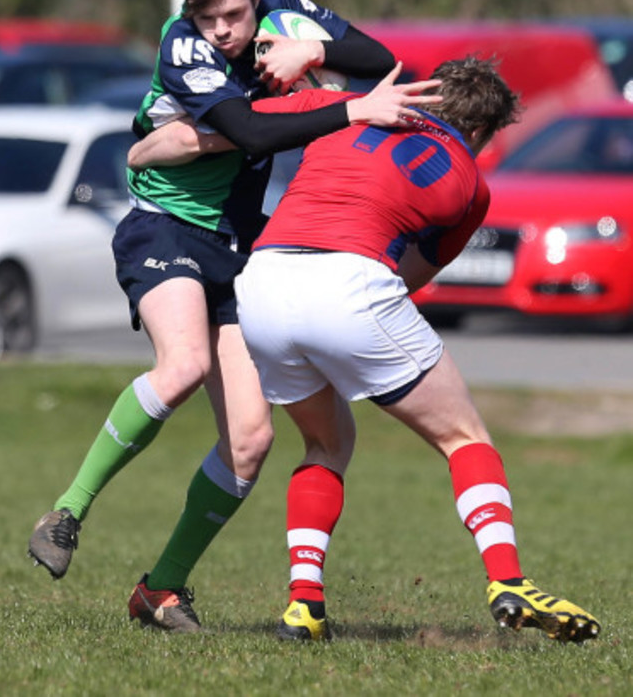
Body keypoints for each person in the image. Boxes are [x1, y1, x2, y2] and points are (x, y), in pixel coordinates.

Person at [27, 0, 439, 633]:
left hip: (238, 246)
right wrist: (348, 108)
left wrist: (317, 49)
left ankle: (161, 588)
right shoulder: (182, 44)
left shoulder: (281, 7)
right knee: (182, 362)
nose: (222, 30)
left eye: (235, 16)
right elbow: (250, 132)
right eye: (207, 16)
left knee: (250, 439)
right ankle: (67, 509)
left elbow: (380, 58)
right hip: (165, 229)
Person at [233, 56, 602, 644]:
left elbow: (242, 121)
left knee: (327, 442)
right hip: (350, 281)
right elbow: (409, 274)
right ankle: (508, 580)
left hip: (263, 279)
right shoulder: (470, 184)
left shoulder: (342, 112)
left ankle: (304, 605)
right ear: (480, 132)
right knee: (466, 438)